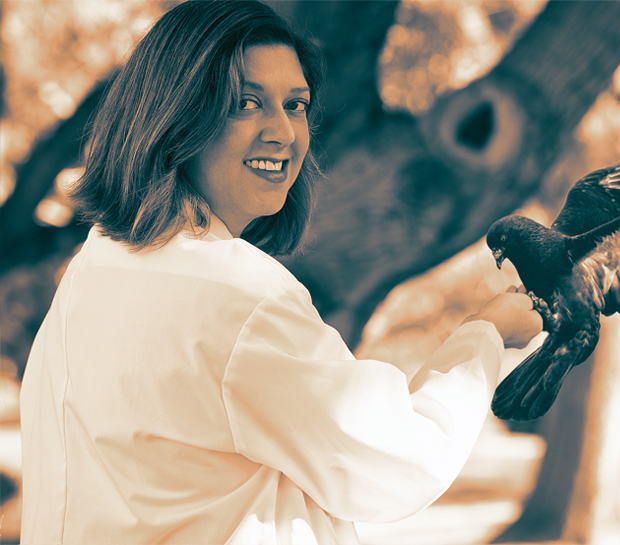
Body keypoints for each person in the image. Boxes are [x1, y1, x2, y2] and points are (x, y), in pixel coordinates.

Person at [19, 1, 543, 543]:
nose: (283, 132)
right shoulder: (235, 297)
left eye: (296, 105)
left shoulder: (95, 269)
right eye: (246, 103)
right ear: (174, 116)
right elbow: (399, 461)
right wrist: (488, 334)